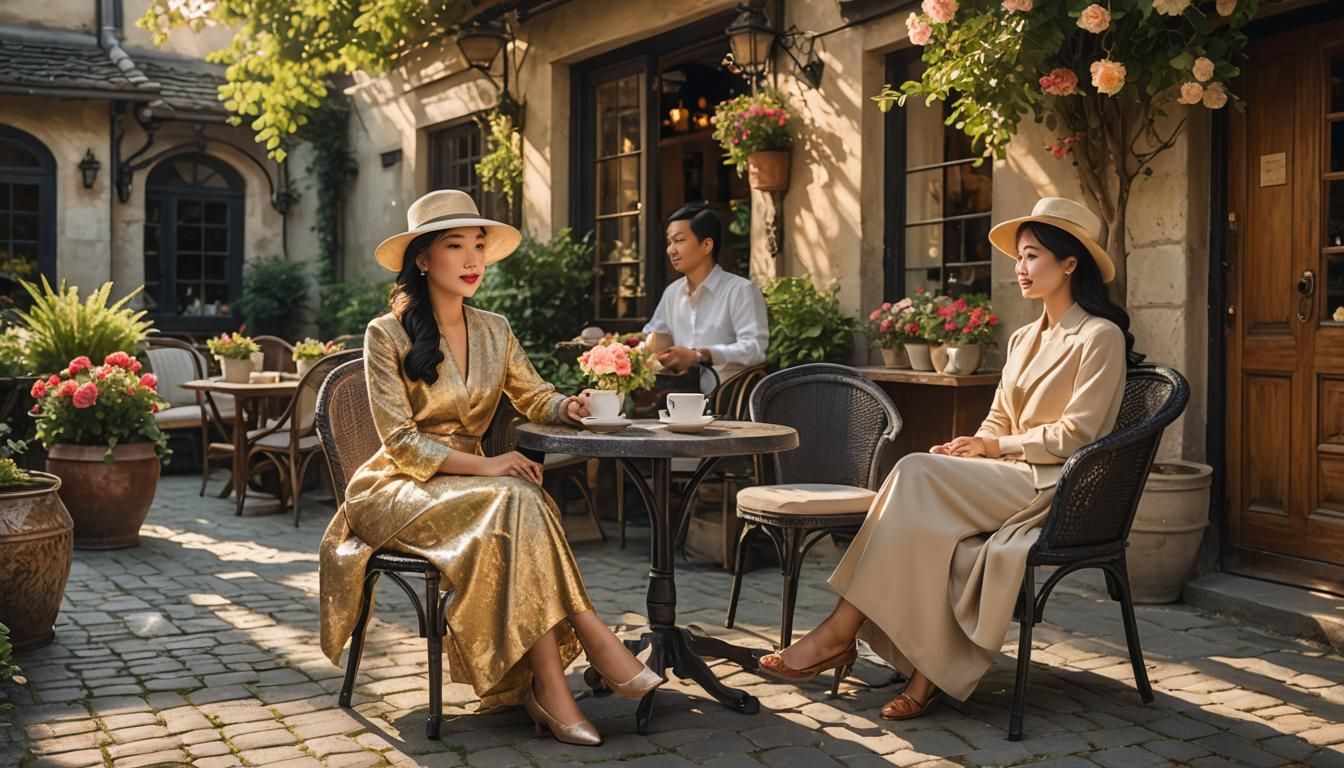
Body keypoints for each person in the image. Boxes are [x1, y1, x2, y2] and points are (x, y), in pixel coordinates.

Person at [757, 197, 1137, 720]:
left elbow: (1080, 433)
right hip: (1002, 475)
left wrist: (991, 449)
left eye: (1032, 257)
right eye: (1019, 257)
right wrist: (968, 446)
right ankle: (919, 670)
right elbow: (999, 417)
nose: (1020, 268)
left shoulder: (1100, 336)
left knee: (912, 471)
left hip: (1051, 487)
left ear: (1070, 263)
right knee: (928, 502)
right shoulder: (1025, 338)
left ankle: (838, 633)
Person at [319, 189, 662, 747]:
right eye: (456, 246)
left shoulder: (494, 328)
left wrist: (568, 407)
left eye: (479, 245)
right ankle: (593, 640)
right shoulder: (385, 334)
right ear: (424, 259)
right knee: (516, 491)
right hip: (397, 489)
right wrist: (491, 463)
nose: (473, 258)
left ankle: (551, 688)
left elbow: (536, 396)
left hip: (473, 490)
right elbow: (401, 444)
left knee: (519, 498)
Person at [644, 203, 768, 386]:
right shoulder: (672, 293)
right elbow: (653, 336)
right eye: (669, 242)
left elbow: (755, 349)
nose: (671, 250)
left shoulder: (741, 291)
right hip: (676, 398)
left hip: (726, 402)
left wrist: (700, 355)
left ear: (707, 245)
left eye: (679, 240)